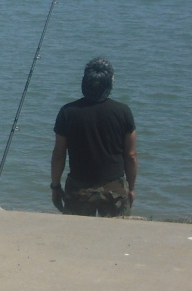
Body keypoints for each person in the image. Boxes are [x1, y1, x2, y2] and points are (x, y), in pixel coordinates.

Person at [50, 57, 138, 216]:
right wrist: (130, 188)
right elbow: (131, 155)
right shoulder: (123, 111)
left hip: (78, 188)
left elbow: (59, 154)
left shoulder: (67, 112)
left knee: (76, 236)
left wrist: (55, 187)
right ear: (109, 83)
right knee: (116, 236)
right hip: (115, 188)